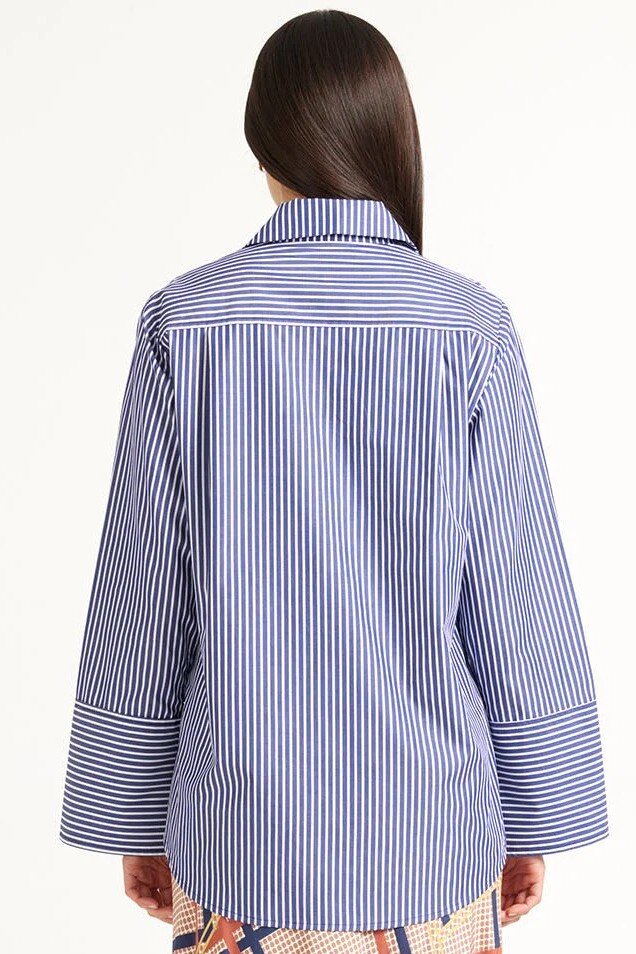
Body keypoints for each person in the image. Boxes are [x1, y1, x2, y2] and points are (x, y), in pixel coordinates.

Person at [58, 10, 609, 953]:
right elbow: (518, 595)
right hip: (432, 844)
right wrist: (539, 812)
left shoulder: (184, 323)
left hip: (238, 844)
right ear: (392, 136)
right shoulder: (469, 327)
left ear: (260, 145)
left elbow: (142, 595)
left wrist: (131, 812)